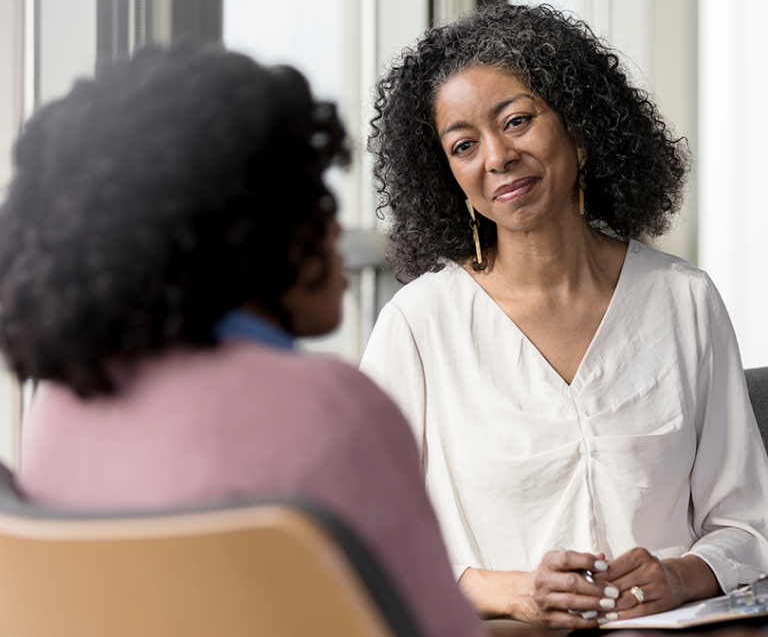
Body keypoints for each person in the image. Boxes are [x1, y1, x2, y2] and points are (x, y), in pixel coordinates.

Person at [0, 44, 488, 637]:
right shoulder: (330, 410)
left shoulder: (61, 404)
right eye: (313, 196)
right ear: (247, 229)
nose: (334, 225)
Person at [360, 3, 768, 631]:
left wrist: (678, 576)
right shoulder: (418, 326)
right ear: (447, 175)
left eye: (518, 121)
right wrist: (512, 592)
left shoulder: (684, 301)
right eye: (463, 145)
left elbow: (747, 529)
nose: (498, 157)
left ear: (581, 128)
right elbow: (368, 538)